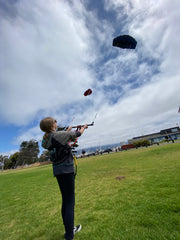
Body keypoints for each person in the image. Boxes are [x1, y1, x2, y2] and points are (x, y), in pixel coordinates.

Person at [40, 117, 88, 240]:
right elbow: (78, 134)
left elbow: (57, 139)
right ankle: (69, 235)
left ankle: (68, 230)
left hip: (58, 171)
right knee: (70, 202)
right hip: (66, 170)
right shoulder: (60, 135)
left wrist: (66, 131)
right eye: (55, 122)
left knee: (65, 201)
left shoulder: (46, 140)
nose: (57, 123)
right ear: (52, 125)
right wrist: (84, 127)